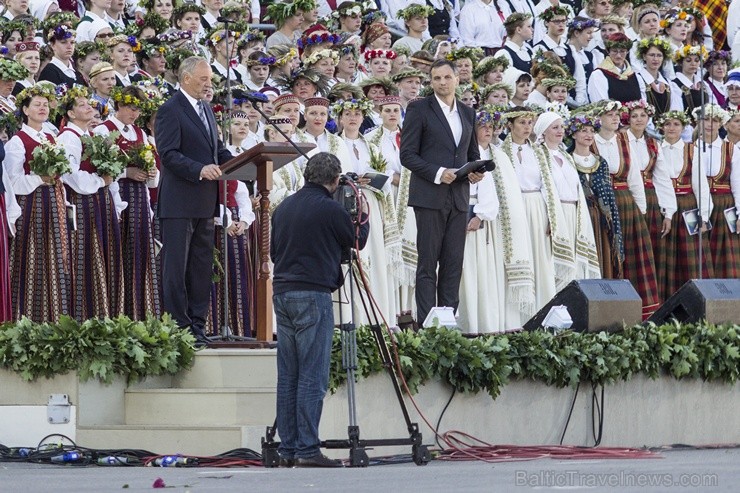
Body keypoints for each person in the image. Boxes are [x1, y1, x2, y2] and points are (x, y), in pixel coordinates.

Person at [271, 152, 369, 468]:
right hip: (313, 294)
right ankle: (308, 448)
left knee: (289, 374)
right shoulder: (331, 209)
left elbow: (274, 251)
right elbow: (358, 240)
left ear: (306, 175)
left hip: (283, 292)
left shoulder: (284, 207)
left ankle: (288, 448)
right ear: (335, 180)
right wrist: (363, 211)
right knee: (312, 374)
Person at [155, 56, 233, 346]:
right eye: (204, 79)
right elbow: (169, 153)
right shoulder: (170, 110)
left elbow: (218, 150)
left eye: (210, 79)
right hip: (179, 203)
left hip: (205, 202)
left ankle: (197, 325)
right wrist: (199, 169)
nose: (208, 84)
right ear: (186, 78)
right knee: (177, 267)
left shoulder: (206, 110)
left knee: (201, 266)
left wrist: (242, 164)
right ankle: (179, 325)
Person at [399, 58, 482, 326]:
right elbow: (407, 155)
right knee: (427, 264)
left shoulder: (468, 113)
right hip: (429, 196)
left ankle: (447, 321)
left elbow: (472, 154)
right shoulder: (419, 109)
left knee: (453, 263)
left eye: (447, 77)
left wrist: (476, 171)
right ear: (430, 81)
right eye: (436, 78)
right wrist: (438, 173)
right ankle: (426, 324)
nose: (442, 83)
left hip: (459, 198)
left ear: (458, 80)